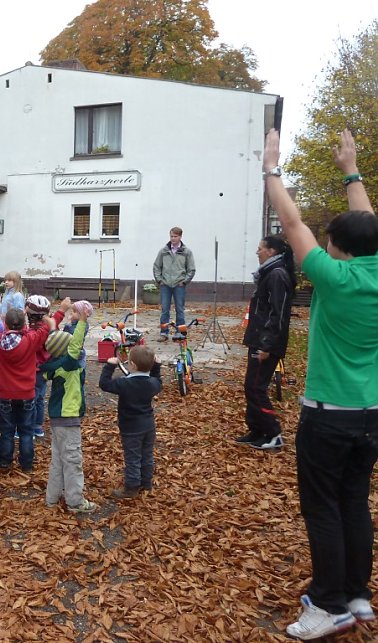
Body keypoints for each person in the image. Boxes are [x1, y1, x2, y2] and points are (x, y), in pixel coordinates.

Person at [263, 128, 378, 640]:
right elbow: (367, 227)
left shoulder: (335, 277)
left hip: (329, 415)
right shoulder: (370, 265)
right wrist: (351, 171)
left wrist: (271, 169)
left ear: (338, 249)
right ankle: (358, 595)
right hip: (371, 415)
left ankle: (330, 604)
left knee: (324, 508)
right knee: (354, 500)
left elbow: (292, 223)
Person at [0, 295, 68, 472]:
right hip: (27, 394)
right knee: (26, 431)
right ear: (24, 325)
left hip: (6, 394)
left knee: (6, 431)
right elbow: (47, 327)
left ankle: (5, 461)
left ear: (5, 324)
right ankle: (26, 463)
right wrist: (61, 309)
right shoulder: (31, 339)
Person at [236, 235, 295, 450]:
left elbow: (278, 314)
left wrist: (266, 345)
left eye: (260, 248)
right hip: (259, 338)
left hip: (267, 343)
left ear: (271, 252)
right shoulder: (269, 273)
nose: (257, 252)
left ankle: (273, 432)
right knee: (251, 386)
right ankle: (257, 430)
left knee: (256, 387)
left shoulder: (277, 275)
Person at [39, 307, 97, 513]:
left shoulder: (55, 364)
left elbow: (59, 343)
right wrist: (82, 321)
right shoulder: (69, 363)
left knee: (58, 459)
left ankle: (52, 498)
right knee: (73, 460)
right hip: (68, 417)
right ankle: (75, 502)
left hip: (57, 419)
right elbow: (74, 343)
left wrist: (52, 328)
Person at [98, 344, 162, 499]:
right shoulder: (152, 383)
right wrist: (156, 367)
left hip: (131, 427)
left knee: (133, 457)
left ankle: (132, 487)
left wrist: (110, 366)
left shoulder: (124, 383)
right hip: (148, 425)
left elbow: (104, 384)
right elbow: (158, 380)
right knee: (147, 455)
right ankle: (146, 482)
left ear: (132, 365)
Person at [152, 227, 196, 341]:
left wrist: (184, 281)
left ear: (180, 237)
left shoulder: (186, 252)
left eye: (175, 236)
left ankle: (179, 332)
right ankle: (164, 332)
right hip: (165, 285)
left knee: (179, 309)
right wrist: (160, 280)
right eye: (171, 236)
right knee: (164, 310)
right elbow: (156, 267)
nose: (173, 238)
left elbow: (191, 269)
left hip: (179, 285)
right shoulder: (163, 251)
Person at [26, 295, 53, 439]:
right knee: (40, 399)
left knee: (31, 399)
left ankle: (29, 428)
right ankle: (38, 427)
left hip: (33, 369)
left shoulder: (31, 333)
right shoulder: (49, 330)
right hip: (45, 368)